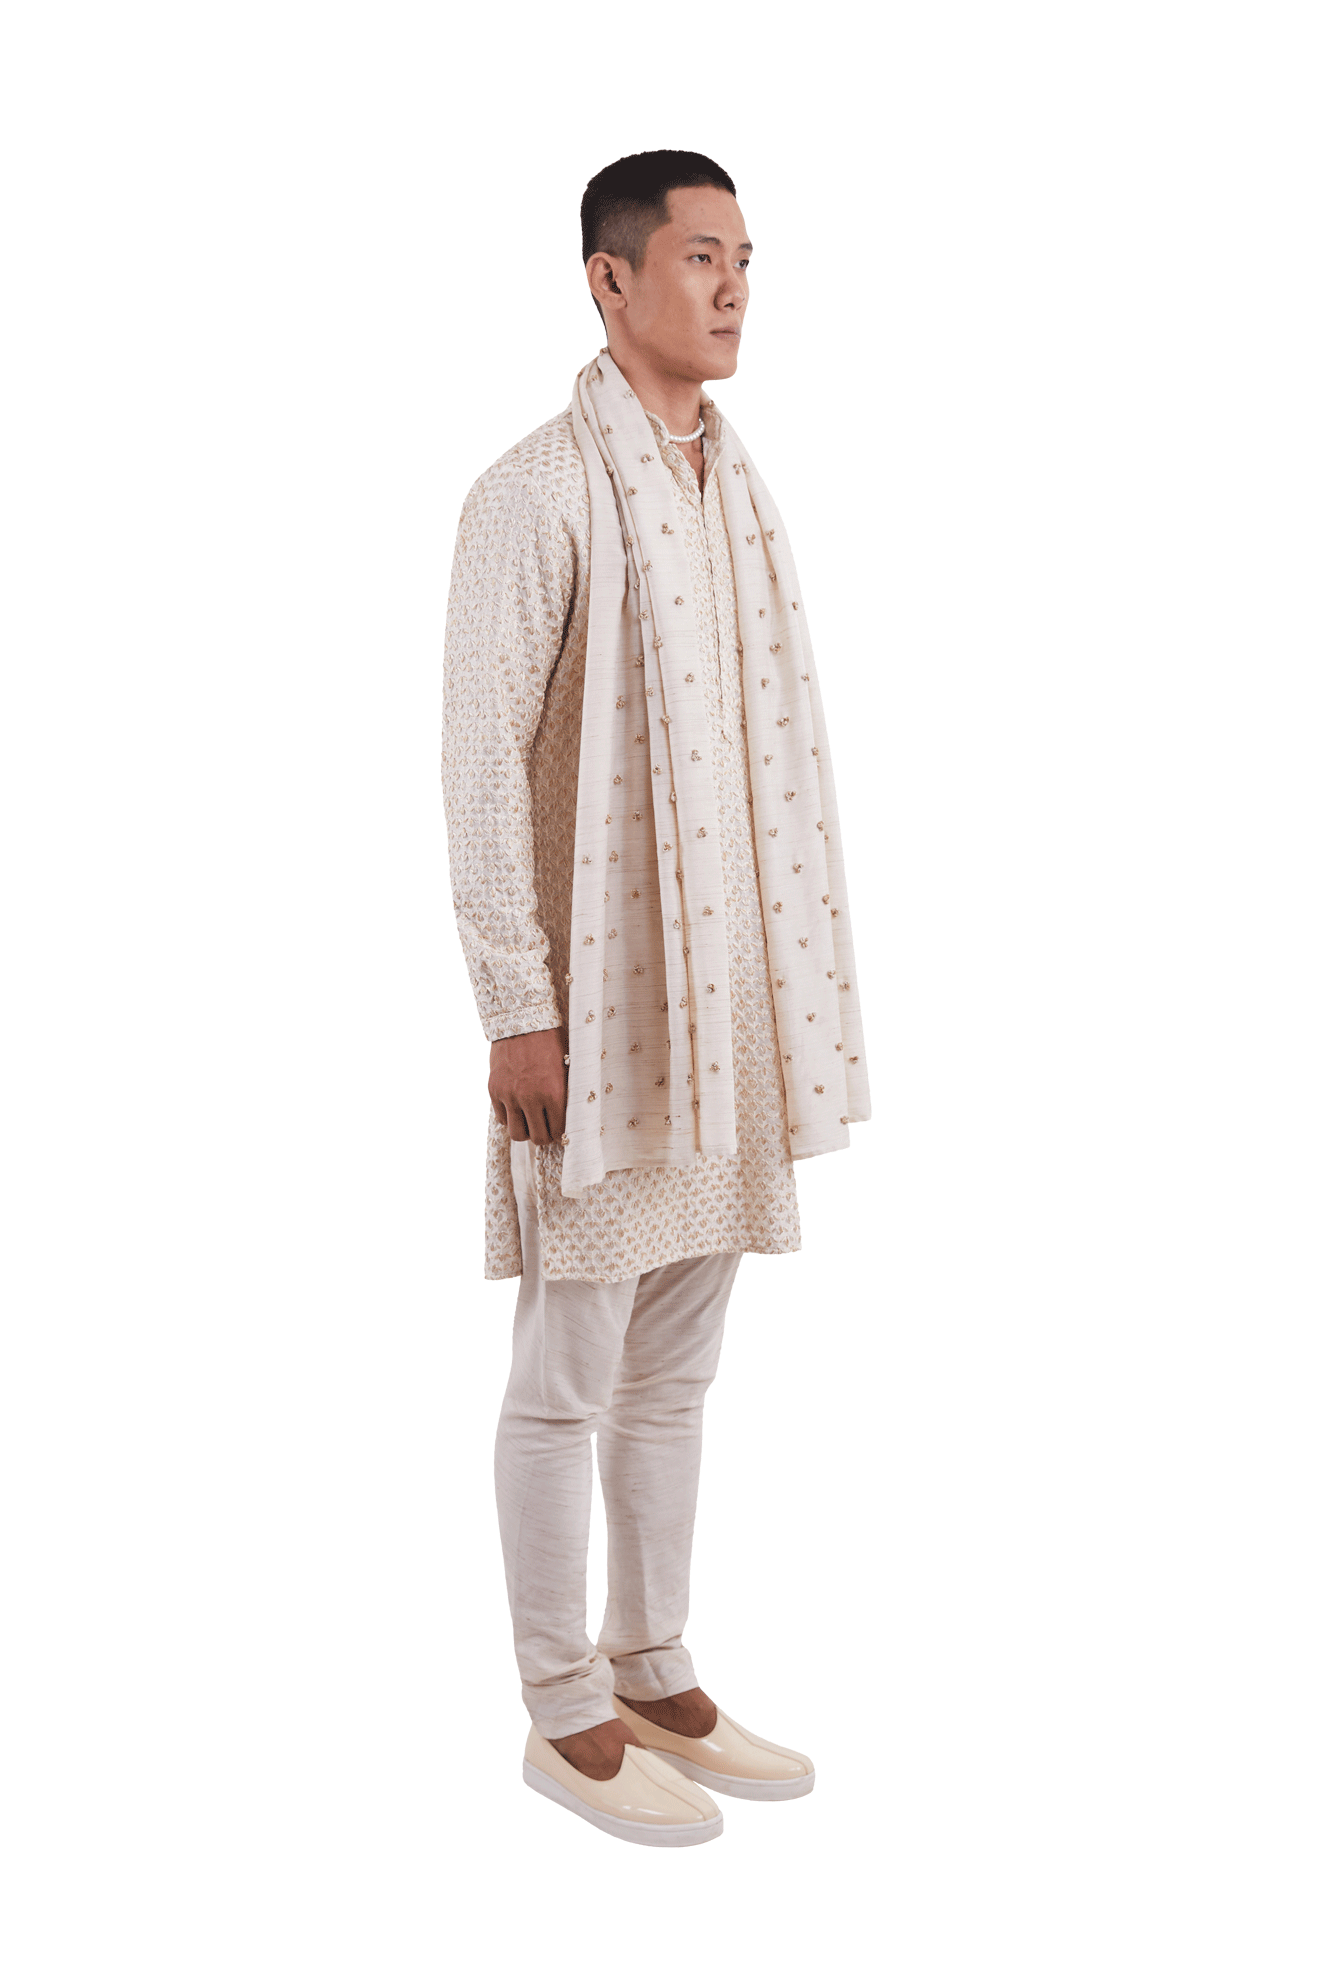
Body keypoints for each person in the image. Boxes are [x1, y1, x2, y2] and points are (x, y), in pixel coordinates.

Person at [441, 150, 869, 1847]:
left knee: (676, 1372)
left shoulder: (728, 484)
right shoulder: (534, 493)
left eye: (745, 256)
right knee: (567, 1370)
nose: (734, 285)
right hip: (601, 1010)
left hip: (725, 1008)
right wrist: (514, 1002)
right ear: (609, 282)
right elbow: (481, 761)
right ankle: (561, 1709)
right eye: (699, 256)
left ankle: (653, 1664)